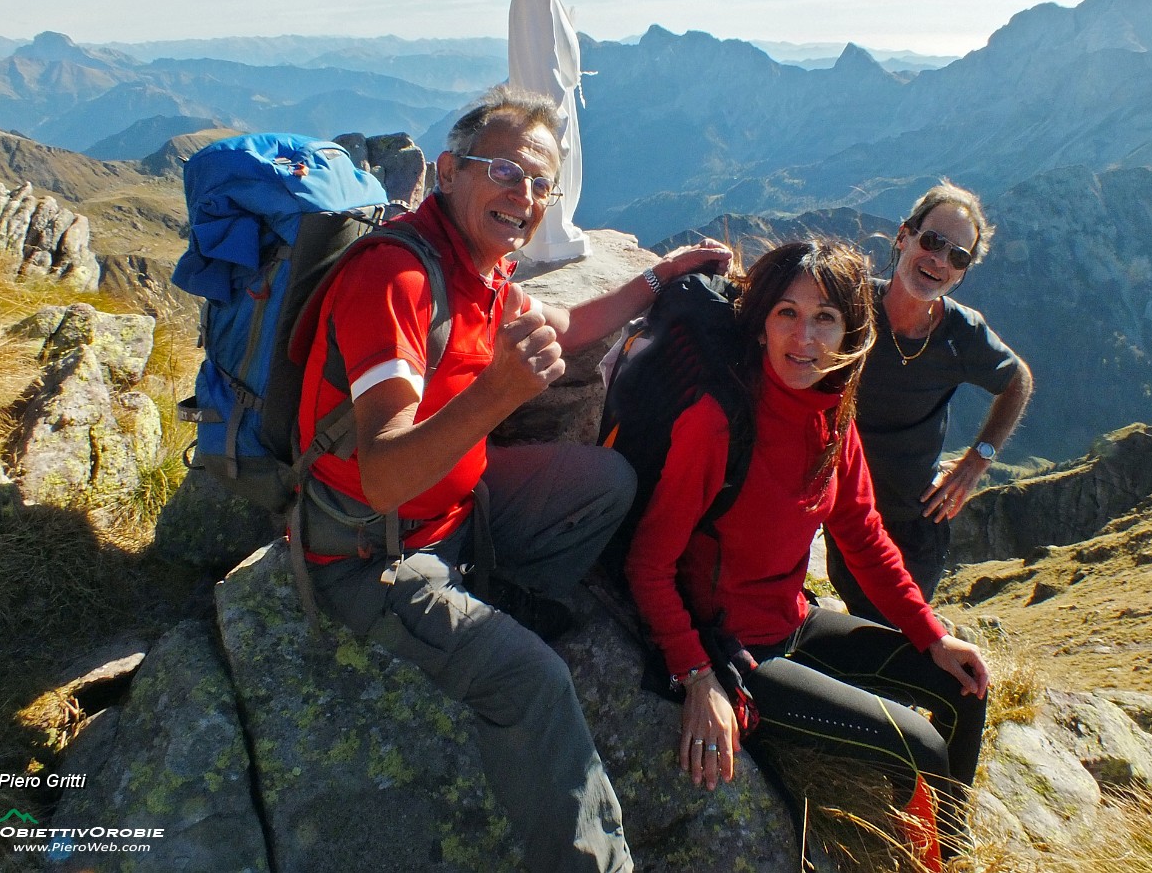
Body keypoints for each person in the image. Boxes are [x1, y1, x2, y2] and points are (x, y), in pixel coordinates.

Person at [294, 84, 732, 873]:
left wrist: (660, 278)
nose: (523, 196)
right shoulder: (398, 279)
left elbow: (566, 327)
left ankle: (505, 593)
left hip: (464, 513)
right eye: (504, 170)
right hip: (377, 556)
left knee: (605, 482)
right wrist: (497, 394)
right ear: (447, 170)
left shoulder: (480, 269)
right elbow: (383, 475)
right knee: (533, 680)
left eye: (539, 183)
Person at [625, 241, 991, 869]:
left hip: (795, 617)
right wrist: (697, 676)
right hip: (741, 651)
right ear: (761, 323)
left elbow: (863, 533)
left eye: (824, 317)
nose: (804, 337)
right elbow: (647, 566)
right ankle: (930, 861)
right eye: (786, 314)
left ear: (851, 330)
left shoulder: (833, 414)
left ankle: (950, 856)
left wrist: (931, 635)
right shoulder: (717, 423)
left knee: (964, 688)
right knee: (922, 747)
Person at [826, 182, 1033, 621]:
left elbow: (1018, 382)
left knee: (892, 633)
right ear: (904, 236)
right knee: (850, 615)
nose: (940, 260)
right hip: (843, 512)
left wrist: (978, 460)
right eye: (933, 241)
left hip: (913, 523)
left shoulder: (963, 333)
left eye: (959, 257)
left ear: (962, 273)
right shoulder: (852, 306)